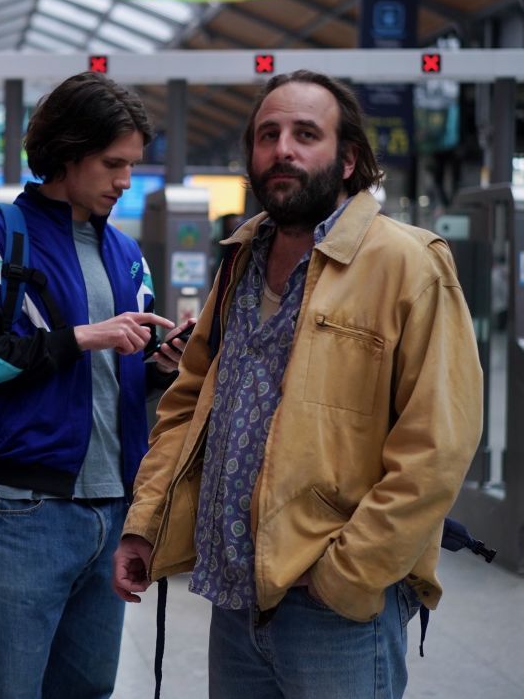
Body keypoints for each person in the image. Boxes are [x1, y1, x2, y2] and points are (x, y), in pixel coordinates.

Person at [114, 70, 483, 698]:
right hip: (233, 598)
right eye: (268, 135)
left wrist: (347, 573)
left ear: (348, 160)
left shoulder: (408, 264)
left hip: (335, 613)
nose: (282, 149)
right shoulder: (241, 261)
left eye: (306, 134)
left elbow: (437, 446)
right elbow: (188, 406)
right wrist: (145, 524)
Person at [0, 71, 192, 698]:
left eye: (132, 166)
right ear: (68, 153)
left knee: (89, 691)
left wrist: (159, 365)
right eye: (112, 164)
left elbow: (114, 380)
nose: (125, 181)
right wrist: (80, 337)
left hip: (113, 508)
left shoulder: (127, 254)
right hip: (23, 511)